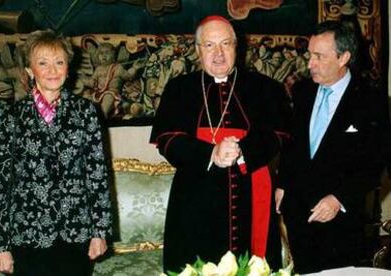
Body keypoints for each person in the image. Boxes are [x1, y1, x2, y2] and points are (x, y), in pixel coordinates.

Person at [150, 15, 290, 272]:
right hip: (195, 194)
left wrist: (242, 152)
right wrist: (211, 153)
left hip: (251, 190)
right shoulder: (179, 89)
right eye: (210, 45)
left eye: (226, 44)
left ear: (237, 47)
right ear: (197, 50)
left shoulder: (265, 88)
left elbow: (279, 135)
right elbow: (166, 140)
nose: (218, 53)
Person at [0, 29, 113, 276]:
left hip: (76, 233)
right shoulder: (9, 117)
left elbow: (97, 176)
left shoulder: (87, 113)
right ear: (30, 70)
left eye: (59, 62)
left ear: (68, 68)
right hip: (26, 234)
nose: (52, 70)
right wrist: (0, 245)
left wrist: (100, 232)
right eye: (43, 63)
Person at [275, 20, 388, 274]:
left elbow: (375, 161)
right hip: (299, 215)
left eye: (318, 56)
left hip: (341, 221)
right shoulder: (302, 91)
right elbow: (292, 145)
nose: (309, 63)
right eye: (309, 55)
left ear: (343, 57)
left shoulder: (370, 100)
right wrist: (283, 183)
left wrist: (340, 199)